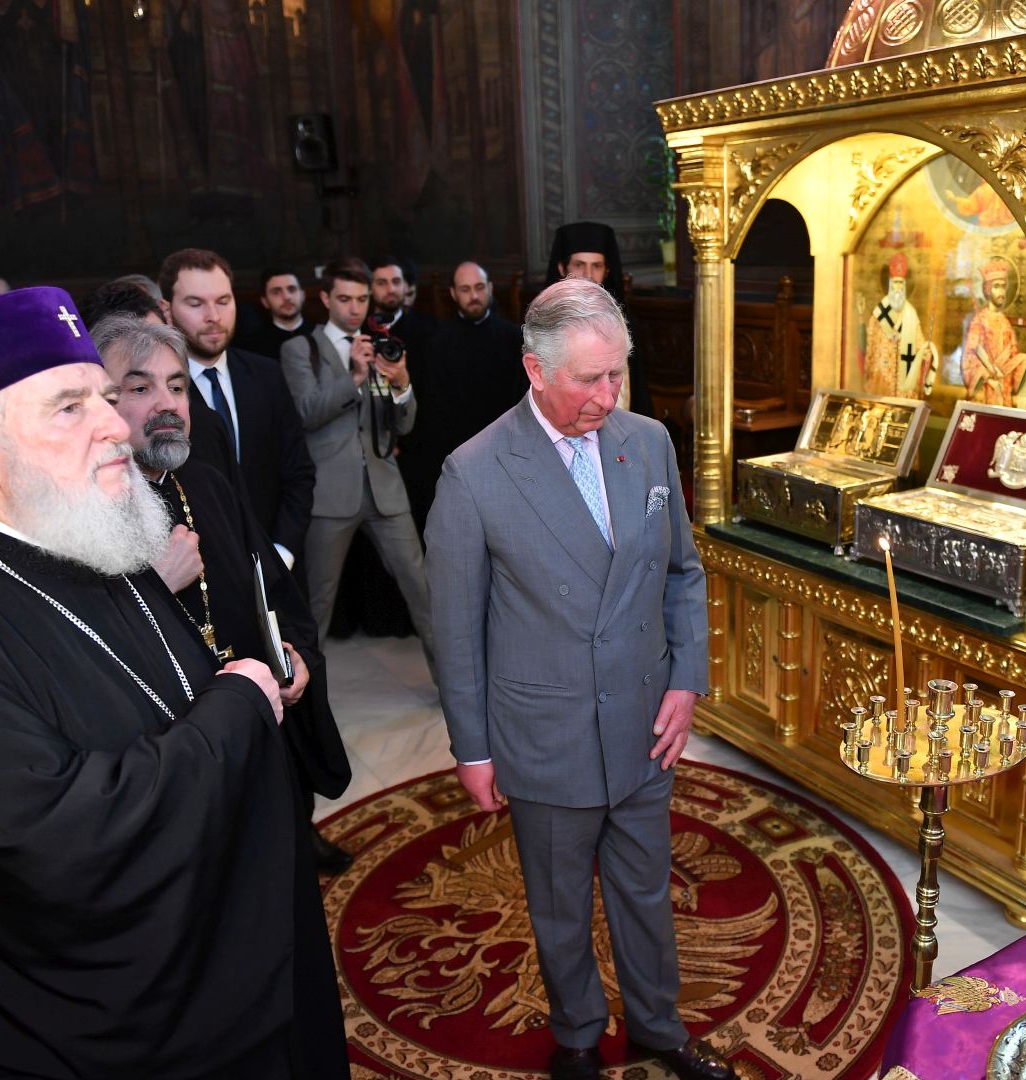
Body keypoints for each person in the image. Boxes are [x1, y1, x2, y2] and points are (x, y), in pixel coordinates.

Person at [0, 287, 348, 1078]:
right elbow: (57, 843)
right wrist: (239, 703)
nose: (114, 425)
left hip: (229, 961)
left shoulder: (102, 544)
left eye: (106, 399)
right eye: (70, 408)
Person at [426, 278, 731, 1080]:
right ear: (534, 369)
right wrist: (472, 748)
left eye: (616, 374)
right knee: (559, 905)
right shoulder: (473, 472)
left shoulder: (648, 441)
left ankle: (659, 1028)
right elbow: (455, 631)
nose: (606, 396)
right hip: (545, 731)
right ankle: (575, 1036)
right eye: (588, 379)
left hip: (642, 722)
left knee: (646, 892)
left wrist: (685, 680)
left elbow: (681, 572)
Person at [96, 313, 356, 874]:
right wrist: (155, 588)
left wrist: (294, 658)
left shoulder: (205, 483)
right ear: (99, 404)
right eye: (139, 388)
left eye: (177, 386)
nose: (167, 404)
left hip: (257, 721)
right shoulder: (85, 521)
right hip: (177, 760)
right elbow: (90, 659)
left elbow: (272, 591)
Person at [280, 258, 436, 673]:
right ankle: (308, 700)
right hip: (329, 494)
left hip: (386, 488)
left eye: (362, 299)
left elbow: (404, 424)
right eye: (345, 299)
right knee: (318, 605)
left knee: (424, 592)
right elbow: (306, 413)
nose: (355, 308)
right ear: (325, 298)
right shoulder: (301, 349)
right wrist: (352, 377)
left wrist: (401, 383)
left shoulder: (377, 345)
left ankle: (457, 692)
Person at [159, 248, 316, 580]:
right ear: (167, 310)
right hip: (198, 577)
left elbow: (298, 471)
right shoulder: (161, 397)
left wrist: (282, 552)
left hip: (278, 567)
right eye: (195, 303)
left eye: (223, 301)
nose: (213, 316)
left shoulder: (267, 374)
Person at [402, 259, 527, 531]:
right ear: (453, 294)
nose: (474, 296)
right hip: (457, 457)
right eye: (465, 289)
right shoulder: (436, 343)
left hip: (507, 454)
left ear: (490, 288)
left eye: (479, 287)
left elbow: (523, 402)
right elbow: (432, 410)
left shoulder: (514, 338)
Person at [546, 220, 655, 421]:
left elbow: (638, 396)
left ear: (606, 271)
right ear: (562, 268)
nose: (588, 275)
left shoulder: (624, 324)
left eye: (596, 266)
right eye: (579, 265)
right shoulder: (543, 325)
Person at [962, 255, 1026, 407]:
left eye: (1003, 286)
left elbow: (1013, 359)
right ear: (987, 290)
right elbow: (969, 357)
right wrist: (987, 375)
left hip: (1003, 390)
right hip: (985, 390)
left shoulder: (1005, 323)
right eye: (996, 286)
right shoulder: (979, 321)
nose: (1001, 292)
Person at [862, 252, 937, 399]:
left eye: (901, 283)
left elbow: (919, 343)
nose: (898, 287)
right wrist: (871, 369)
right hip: (882, 378)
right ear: (889, 284)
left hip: (904, 380)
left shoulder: (911, 314)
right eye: (895, 282)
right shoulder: (878, 313)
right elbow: (871, 346)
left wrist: (925, 352)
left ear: (905, 285)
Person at [234, 266, 314, 360]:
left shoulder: (322, 334)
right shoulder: (253, 346)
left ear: (303, 295)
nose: (287, 297)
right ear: (265, 302)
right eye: (276, 292)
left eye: (291, 289)